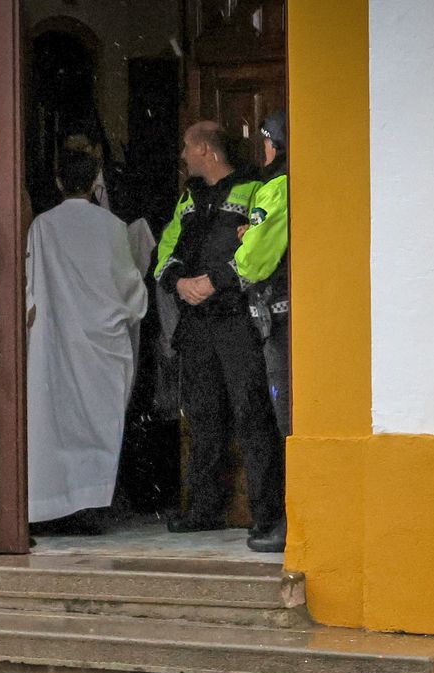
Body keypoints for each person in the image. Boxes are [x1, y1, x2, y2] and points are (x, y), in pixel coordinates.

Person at [155, 122, 286, 553]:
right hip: (195, 324)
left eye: (188, 147)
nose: (183, 156)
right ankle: (204, 509)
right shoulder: (189, 198)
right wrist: (178, 282)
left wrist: (213, 282)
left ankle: (266, 516)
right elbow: (166, 250)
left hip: (239, 320)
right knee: (203, 416)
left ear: (207, 150)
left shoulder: (255, 188)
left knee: (253, 415)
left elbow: (257, 252)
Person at [25, 151, 149, 532]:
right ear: (96, 180)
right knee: (97, 424)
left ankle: (48, 509)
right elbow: (130, 287)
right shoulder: (112, 226)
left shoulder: (42, 226)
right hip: (102, 343)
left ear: (59, 181)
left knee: (54, 422)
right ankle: (89, 508)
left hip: (55, 340)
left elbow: (29, 285)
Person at [236, 110, 292, 437]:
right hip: (282, 319)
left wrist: (245, 243)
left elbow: (254, 261)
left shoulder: (278, 187)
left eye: (267, 141)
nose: (265, 150)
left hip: (278, 319)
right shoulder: (289, 182)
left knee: (283, 415)